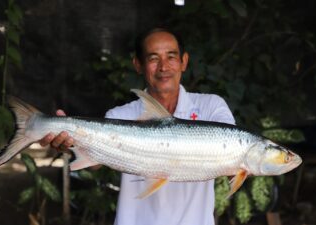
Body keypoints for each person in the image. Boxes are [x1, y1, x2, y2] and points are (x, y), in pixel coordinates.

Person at [39, 28, 235, 225]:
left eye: (171, 57)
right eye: (153, 58)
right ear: (138, 64)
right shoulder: (119, 115)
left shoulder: (212, 107)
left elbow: (231, 152)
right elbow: (97, 161)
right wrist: (70, 141)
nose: (163, 67)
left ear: (184, 61)